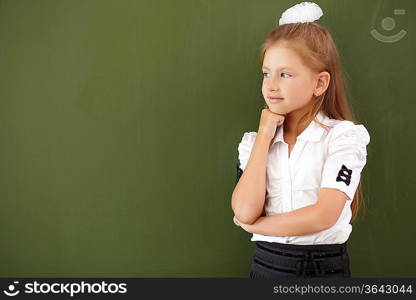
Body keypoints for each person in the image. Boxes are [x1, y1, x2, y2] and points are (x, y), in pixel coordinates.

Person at [231, 2, 370, 278]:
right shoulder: (254, 143)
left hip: (322, 268)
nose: (271, 85)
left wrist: (256, 227)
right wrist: (264, 136)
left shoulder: (342, 137)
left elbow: (323, 215)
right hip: (265, 265)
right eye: (266, 73)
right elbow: (245, 210)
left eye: (285, 74)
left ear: (319, 83)